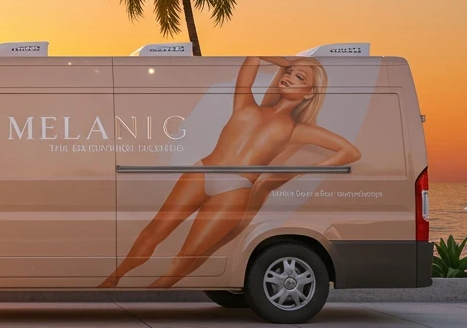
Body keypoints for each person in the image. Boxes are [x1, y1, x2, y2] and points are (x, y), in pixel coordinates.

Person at [100, 56, 361, 289]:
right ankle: (112, 280)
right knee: (153, 232)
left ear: (309, 93)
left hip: (235, 189)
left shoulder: (296, 130)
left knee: (189, 254)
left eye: (298, 77)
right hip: (203, 171)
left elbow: (350, 152)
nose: (288, 77)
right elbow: (253, 57)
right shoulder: (246, 104)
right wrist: (285, 62)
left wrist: (307, 169)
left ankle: (152, 292)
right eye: (288, 72)